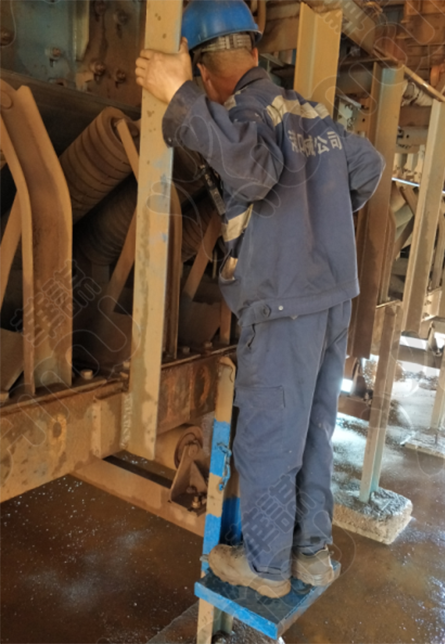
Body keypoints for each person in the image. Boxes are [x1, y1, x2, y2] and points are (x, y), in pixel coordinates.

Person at [136, 0, 384, 599]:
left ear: (203, 72)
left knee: (271, 435)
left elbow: (253, 173)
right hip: (331, 300)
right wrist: (316, 223)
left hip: (283, 307)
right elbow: (369, 167)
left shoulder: (242, 114)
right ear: (253, 49)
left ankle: (268, 568)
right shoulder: (308, 112)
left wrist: (180, 99)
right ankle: (311, 553)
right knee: (314, 428)